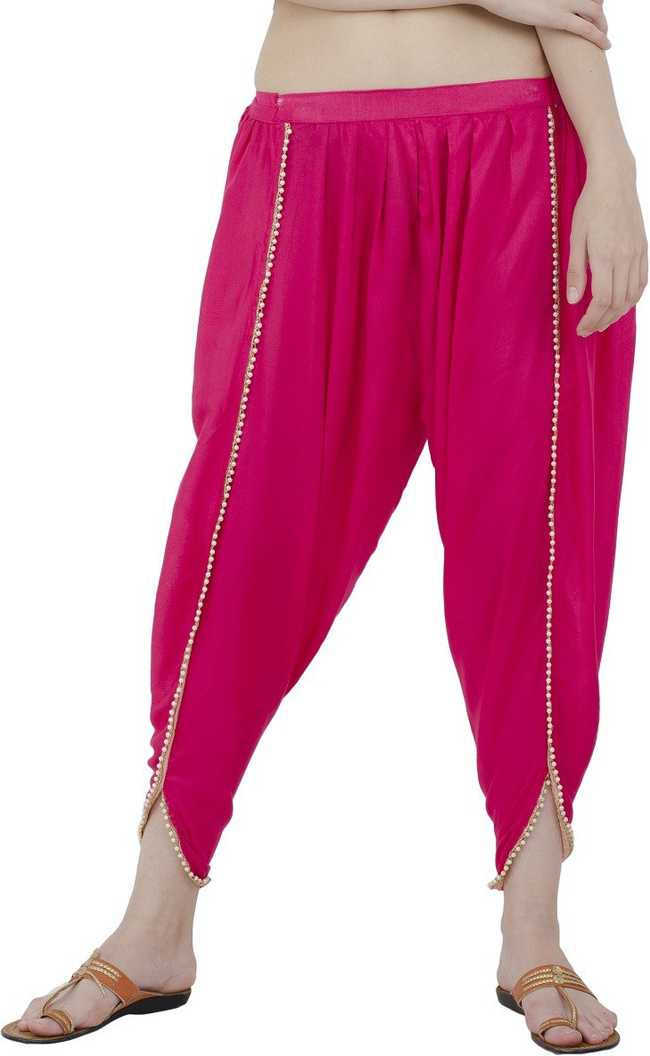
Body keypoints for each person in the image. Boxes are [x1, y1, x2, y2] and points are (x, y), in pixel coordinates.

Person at [2, 1, 645, 1051]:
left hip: (524, 150)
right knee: (242, 530)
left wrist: (610, 166)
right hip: (312, 153)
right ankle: (155, 923)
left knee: (528, 534)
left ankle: (534, 930)